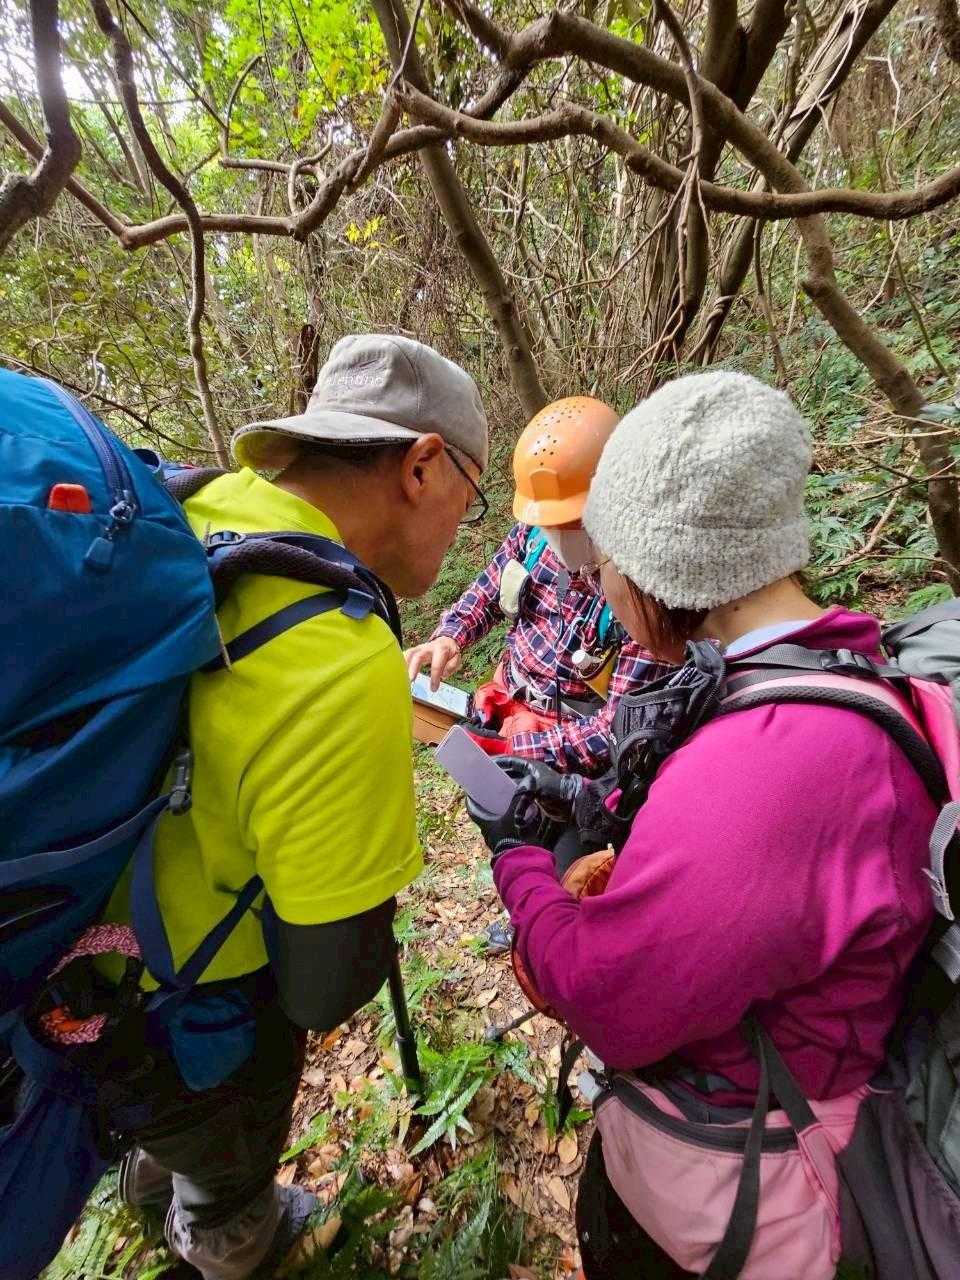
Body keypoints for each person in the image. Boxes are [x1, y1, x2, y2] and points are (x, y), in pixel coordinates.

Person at [471, 372, 939, 1278]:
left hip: (754, 1167)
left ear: (662, 565)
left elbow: (608, 1000)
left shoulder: (773, 767)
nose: (596, 584)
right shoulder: (833, 666)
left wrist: (517, 855)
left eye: (604, 563)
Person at [100, 335, 489, 1280]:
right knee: (227, 1152)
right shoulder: (337, 660)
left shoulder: (189, 511)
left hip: (62, 967)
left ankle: (155, 1177)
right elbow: (327, 987)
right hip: (192, 1014)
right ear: (422, 466)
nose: (463, 525)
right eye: (471, 497)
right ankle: (232, 1234)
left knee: (162, 1123)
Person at [405, 397, 664, 776]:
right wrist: (450, 636)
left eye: (574, 522)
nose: (558, 535)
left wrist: (518, 748)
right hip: (507, 702)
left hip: (568, 745)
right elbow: (487, 591)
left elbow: (618, 727)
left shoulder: (641, 591)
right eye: (550, 523)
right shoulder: (532, 535)